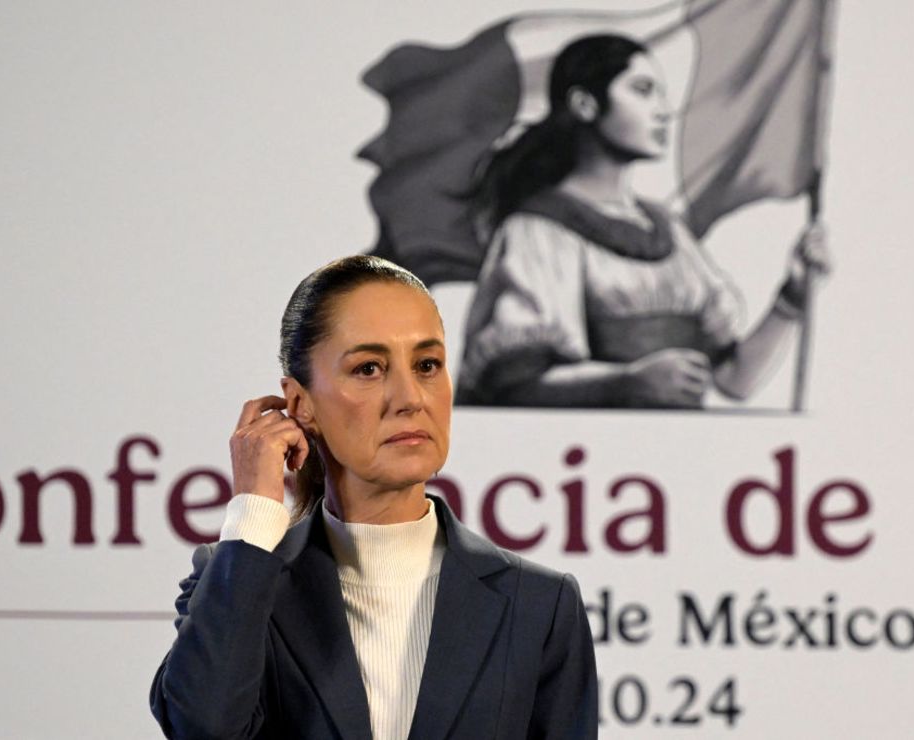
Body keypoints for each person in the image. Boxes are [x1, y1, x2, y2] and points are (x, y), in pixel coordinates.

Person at [150, 255, 598, 739]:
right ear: (301, 404)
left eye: (427, 365)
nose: (410, 397)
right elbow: (201, 728)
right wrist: (255, 511)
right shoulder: (233, 582)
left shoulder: (540, 605)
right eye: (368, 369)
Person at [456, 34, 831, 409]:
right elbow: (516, 385)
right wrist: (625, 382)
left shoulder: (669, 231)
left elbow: (734, 381)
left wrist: (792, 297)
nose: (664, 111)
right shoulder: (538, 231)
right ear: (585, 104)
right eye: (643, 90)